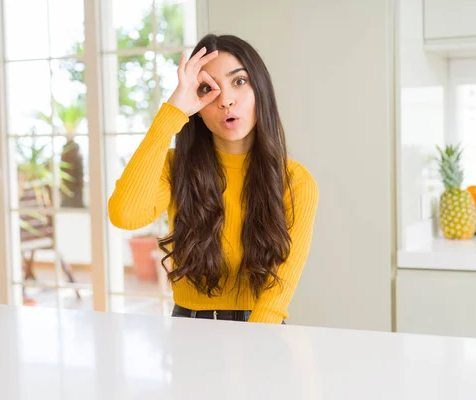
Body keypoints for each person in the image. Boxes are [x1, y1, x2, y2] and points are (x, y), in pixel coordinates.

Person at [108, 34, 319, 324]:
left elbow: (278, 293)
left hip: (261, 327)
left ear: (261, 89)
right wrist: (172, 113)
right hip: (189, 327)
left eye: (239, 81)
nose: (225, 100)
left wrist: (256, 347)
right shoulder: (175, 167)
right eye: (208, 88)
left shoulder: (296, 180)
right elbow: (125, 214)